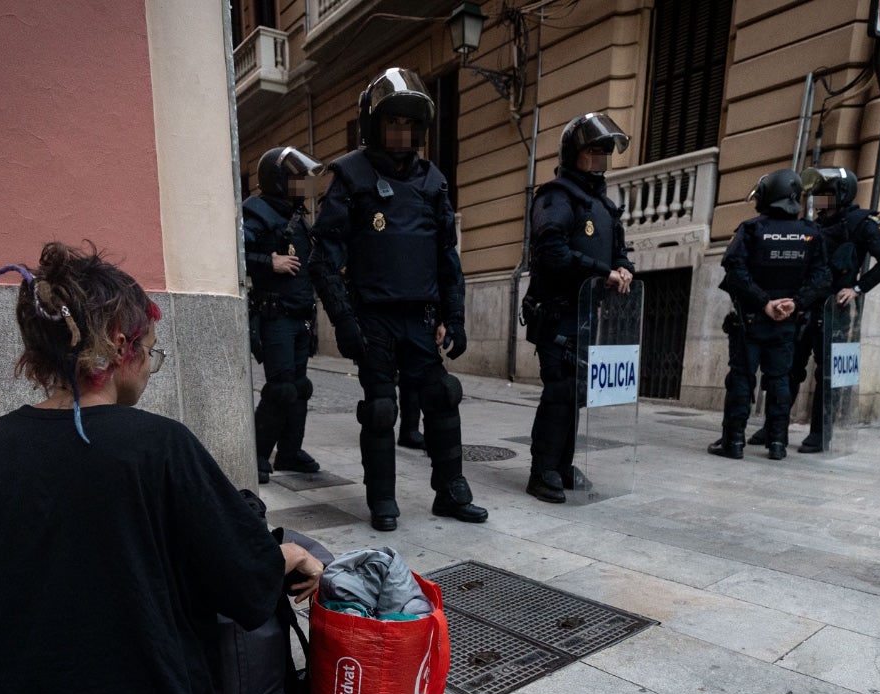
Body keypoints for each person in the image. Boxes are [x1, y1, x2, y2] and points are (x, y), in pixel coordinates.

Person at [0, 242, 323, 694]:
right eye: (151, 350)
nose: (151, 366)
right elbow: (240, 578)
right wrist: (284, 557)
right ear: (119, 348)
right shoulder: (159, 445)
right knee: (161, 641)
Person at [311, 67, 487, 532]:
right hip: (373, 320)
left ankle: (450, 491)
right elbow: (323, 258)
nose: (402, 132)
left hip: (421, 317)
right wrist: (344, 321)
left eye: (410, 123)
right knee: (382, 408)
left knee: (443, 395)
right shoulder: (350, 175)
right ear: (375, 124)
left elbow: (446, 256)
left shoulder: (433, 182)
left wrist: (456, 315)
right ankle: (383, 500)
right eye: (393, 122)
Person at [747, 166, 880, 452]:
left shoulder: (861, 222)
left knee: (827, 374)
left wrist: (858, 288)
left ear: (841, 195)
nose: (820, 200)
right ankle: (774, 427)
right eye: (818, 194)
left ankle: (821, 433)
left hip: (834, 310)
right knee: (787, 369)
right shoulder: (815, 225)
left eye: (826, 194)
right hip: (805, 307)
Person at [521, 112, 635, 503]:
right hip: (557, 310)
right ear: (573, 153)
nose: (599, 158)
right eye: (591, 151)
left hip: (589, 315)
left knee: (577, 392)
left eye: (604, 152)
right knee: (559, 389)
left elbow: (620, 251)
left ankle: (563, 464)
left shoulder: (603, 205)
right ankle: (543, 471)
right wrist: (601, 273)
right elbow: (551, 250)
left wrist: (624, 269)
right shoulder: (556, 197)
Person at [710, 169, 830, 460]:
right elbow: (821, 277)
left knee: (741, 379)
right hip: (787, 322)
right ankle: (778, 443)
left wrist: (764, 302)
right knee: (780, 381)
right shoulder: (812, 233)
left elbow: (735, 270)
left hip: (750, 320)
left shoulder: (751, 229)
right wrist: (794, 303)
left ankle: (734, 442)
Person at [245, 146, 326, 484]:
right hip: (275, 315)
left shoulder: (298, 217)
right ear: (278, 180)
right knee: (281, 389)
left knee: (300, 387)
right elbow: (236, 251)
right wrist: (270, 262)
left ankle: (290, 452)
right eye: (297, 180)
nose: (303, 187)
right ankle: (259, 455)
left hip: (300, 317)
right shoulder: (257, 210)